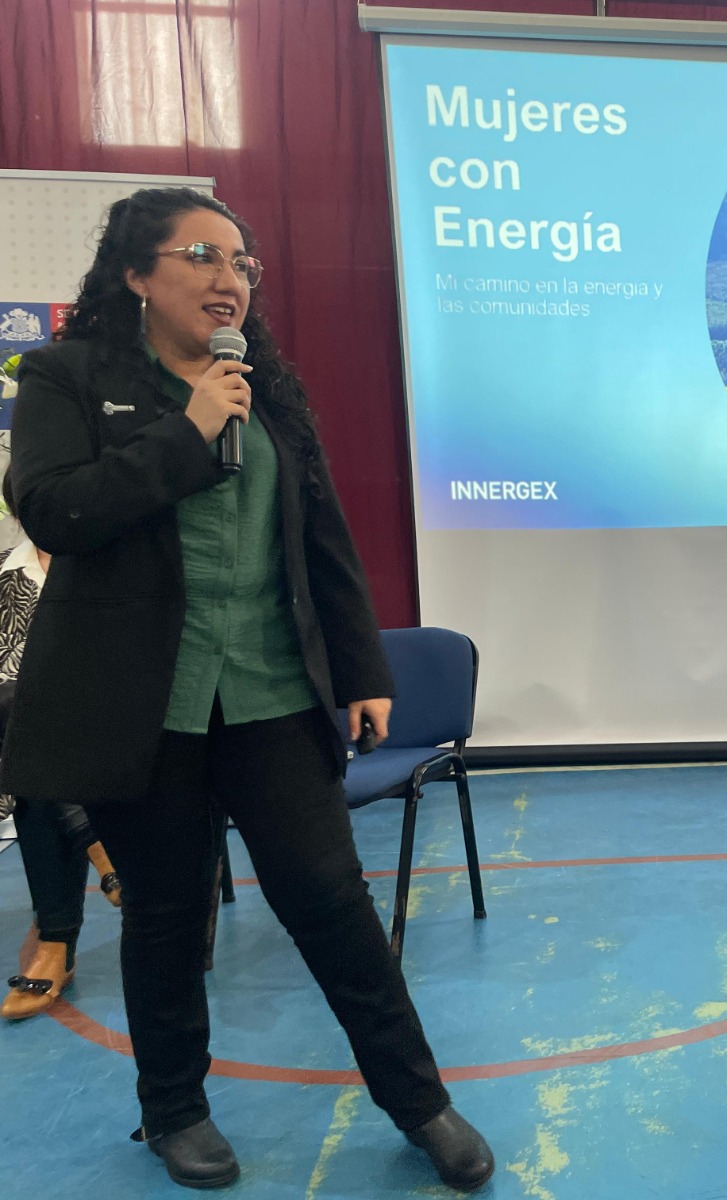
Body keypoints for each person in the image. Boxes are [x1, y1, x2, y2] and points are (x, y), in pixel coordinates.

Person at [0, 188, 493, 1192]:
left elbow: (322, 537)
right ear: (135, 274)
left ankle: (419, 1102)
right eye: (203, 257)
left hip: (271, 694)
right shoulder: (66, 375)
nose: (230, 281)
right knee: (167, 915)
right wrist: (185, 434)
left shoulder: (261, 387)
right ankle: (174, 1110)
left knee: (332, 902)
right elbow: (54, 509)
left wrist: (361, 670)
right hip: (142, 706)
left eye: (243, 264)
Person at [0, 483, 124, 1022]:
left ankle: (57, 942)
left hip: (118, 722)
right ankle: (96, 846)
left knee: (30, 751)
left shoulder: (118, 567)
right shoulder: (4, 576)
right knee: (25, 734)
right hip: (32, 732)